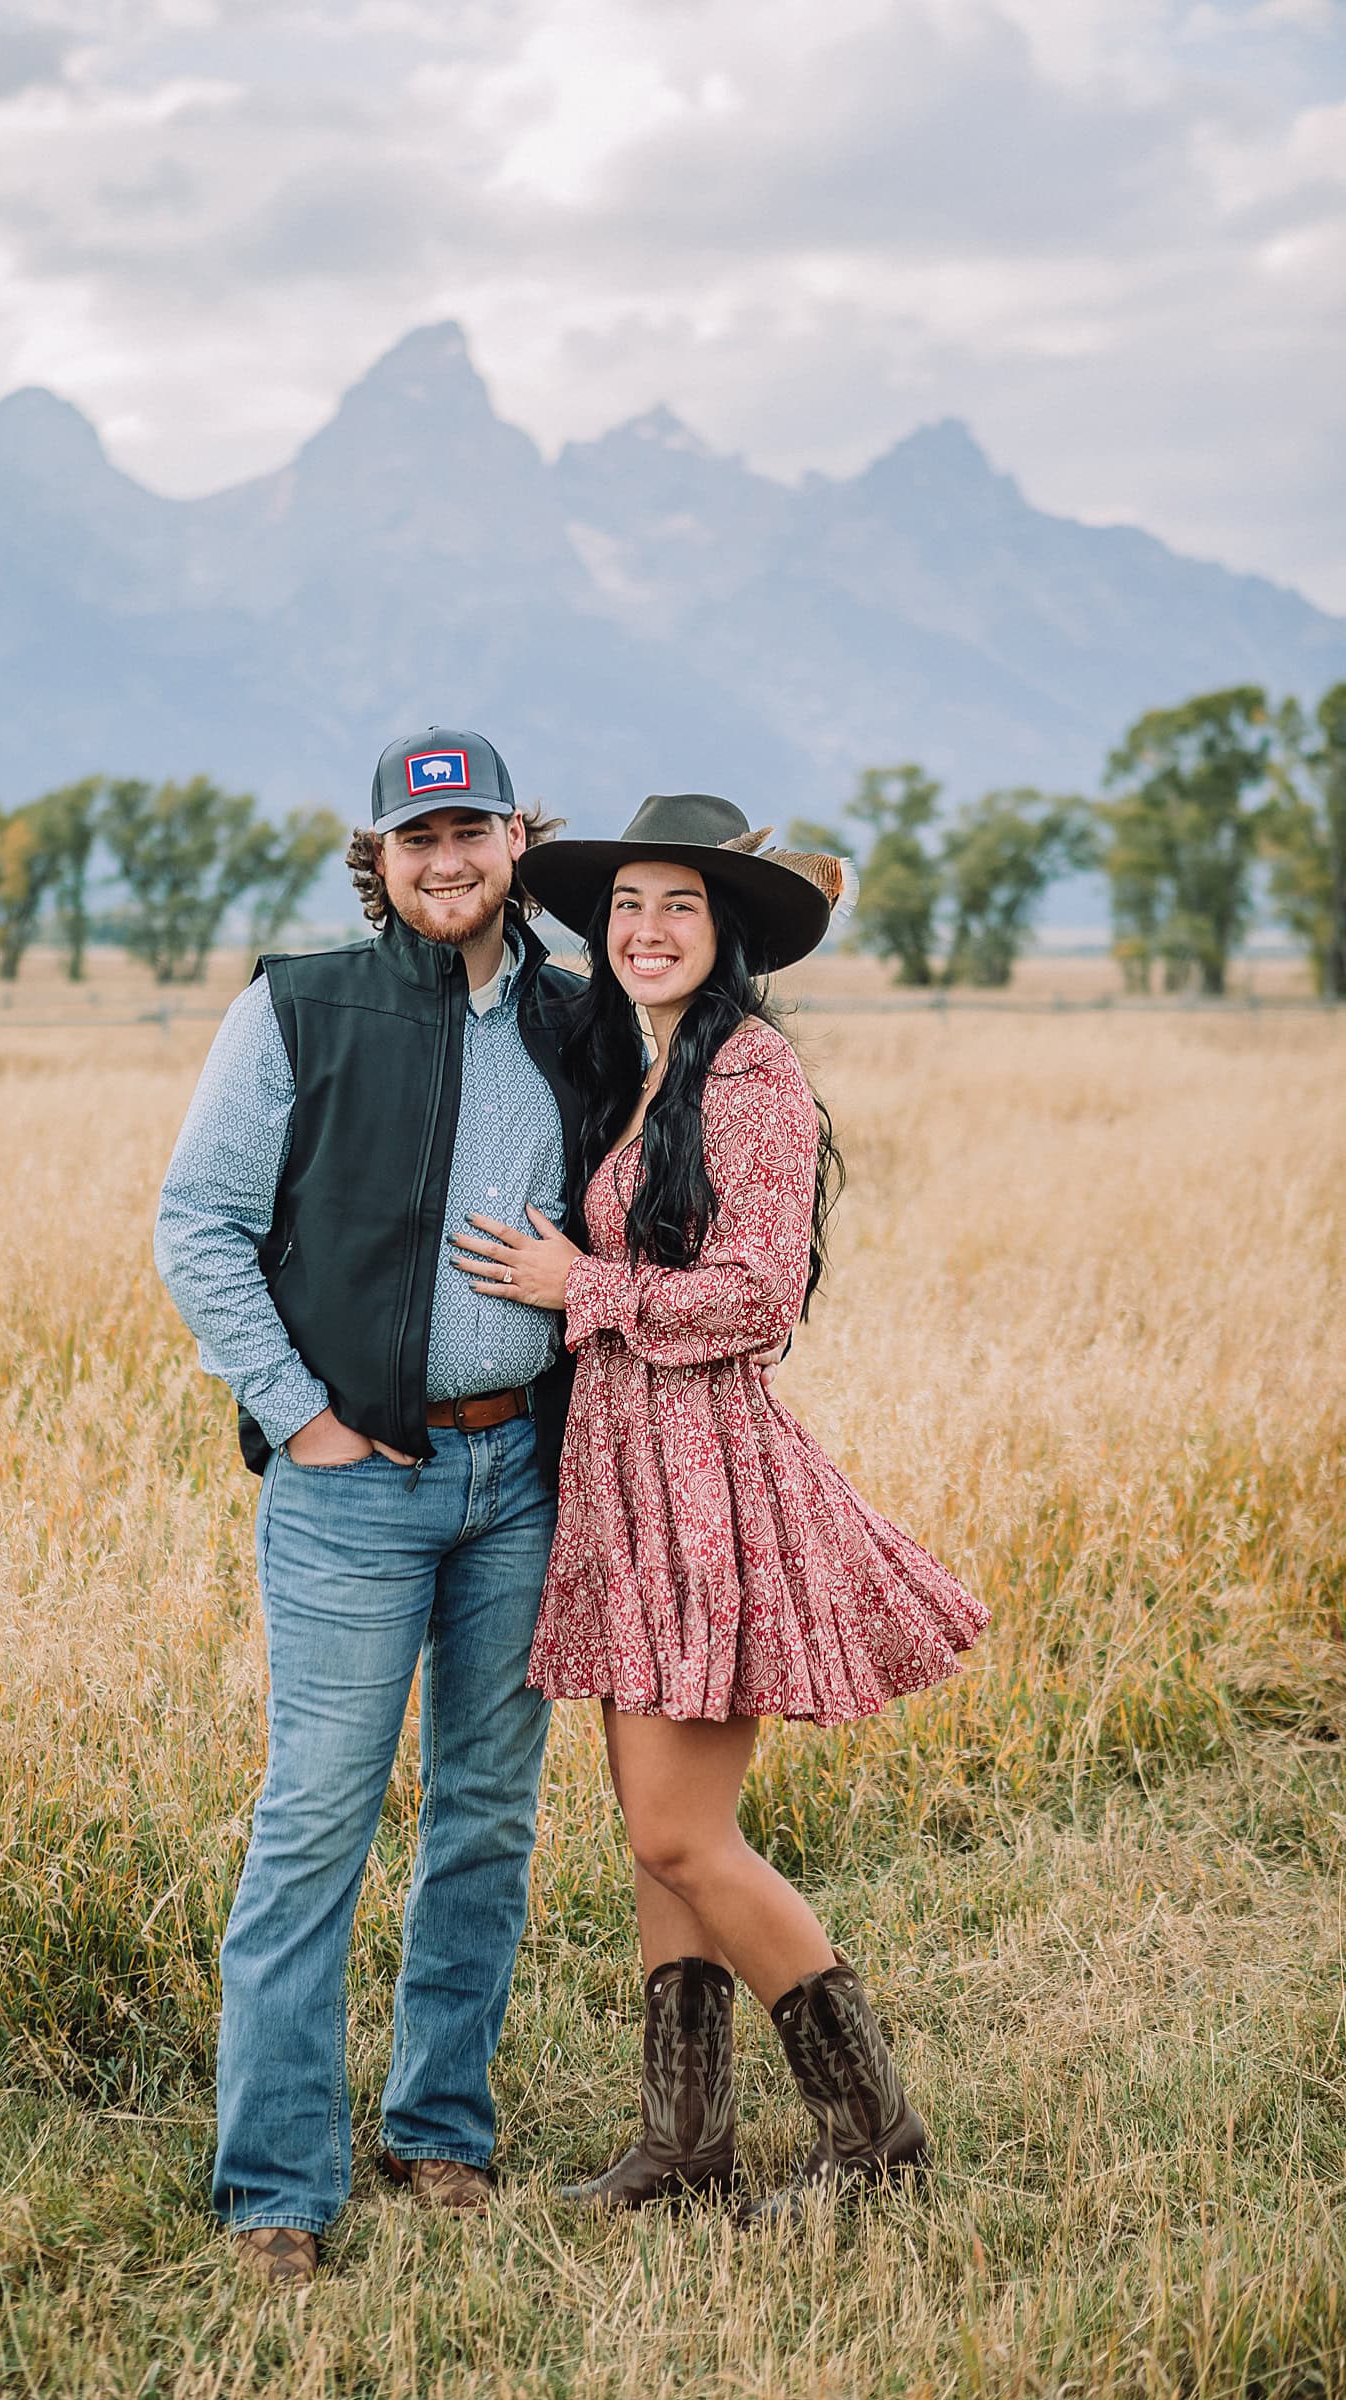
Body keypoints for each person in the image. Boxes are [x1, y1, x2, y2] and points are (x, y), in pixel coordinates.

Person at [449, 791, 989, 2221]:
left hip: (704, 1481)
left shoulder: (751, 1073)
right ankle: (684, 2149)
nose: (646, 929)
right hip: (622, 1475)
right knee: (654, 1835)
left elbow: (758, 1294)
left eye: (678, 905)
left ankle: (875, 2136)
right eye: (625, 905)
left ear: (726, 929)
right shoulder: (636, 1059)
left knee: (686, 1835)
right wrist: (500, 863)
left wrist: (581, 1285)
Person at [154, 727, 584, 2287]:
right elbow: (198, 1223)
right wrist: (303, 1419)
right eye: (419, 839)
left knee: (486, 1811)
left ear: (518, 843)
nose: (447, 859)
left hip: (519, 1478)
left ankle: (439, 2126)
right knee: (316, 1820)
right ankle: (276, 2182)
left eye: (473, 832)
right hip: (353, 1492)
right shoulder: (299, 1006)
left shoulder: (578, 1018)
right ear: (381, 858)